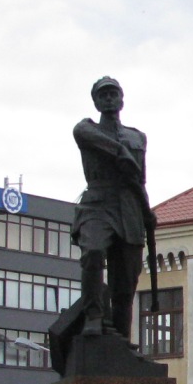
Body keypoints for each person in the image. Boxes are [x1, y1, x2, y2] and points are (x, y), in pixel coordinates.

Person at [71, 76, 154, 338]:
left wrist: (147, 211)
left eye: (113, 94)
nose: (108, 99)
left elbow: (139, 179)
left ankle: (122, 337)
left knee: (125, 282)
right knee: (94, 252)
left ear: (121, 99)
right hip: (98, 203)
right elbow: (82, 133)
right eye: (103, 95)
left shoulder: (137, 137)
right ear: (95, 102)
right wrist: (120, 152)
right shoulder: (87, 129)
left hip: (129, 207)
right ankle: (94, 314)